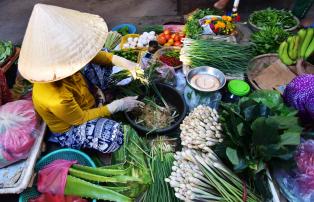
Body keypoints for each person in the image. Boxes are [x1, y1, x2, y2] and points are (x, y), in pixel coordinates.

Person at [18, 4, 144, 154]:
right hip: (71, 126)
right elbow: (80, 118)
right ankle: (83, 135)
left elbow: (95, 55)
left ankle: (101, 100)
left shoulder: (68, 57)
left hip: (86, 97)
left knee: (102, 65)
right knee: (114, 136)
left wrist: (124, 63)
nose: (79, 59)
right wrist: (117, 105)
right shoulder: (56, 98)